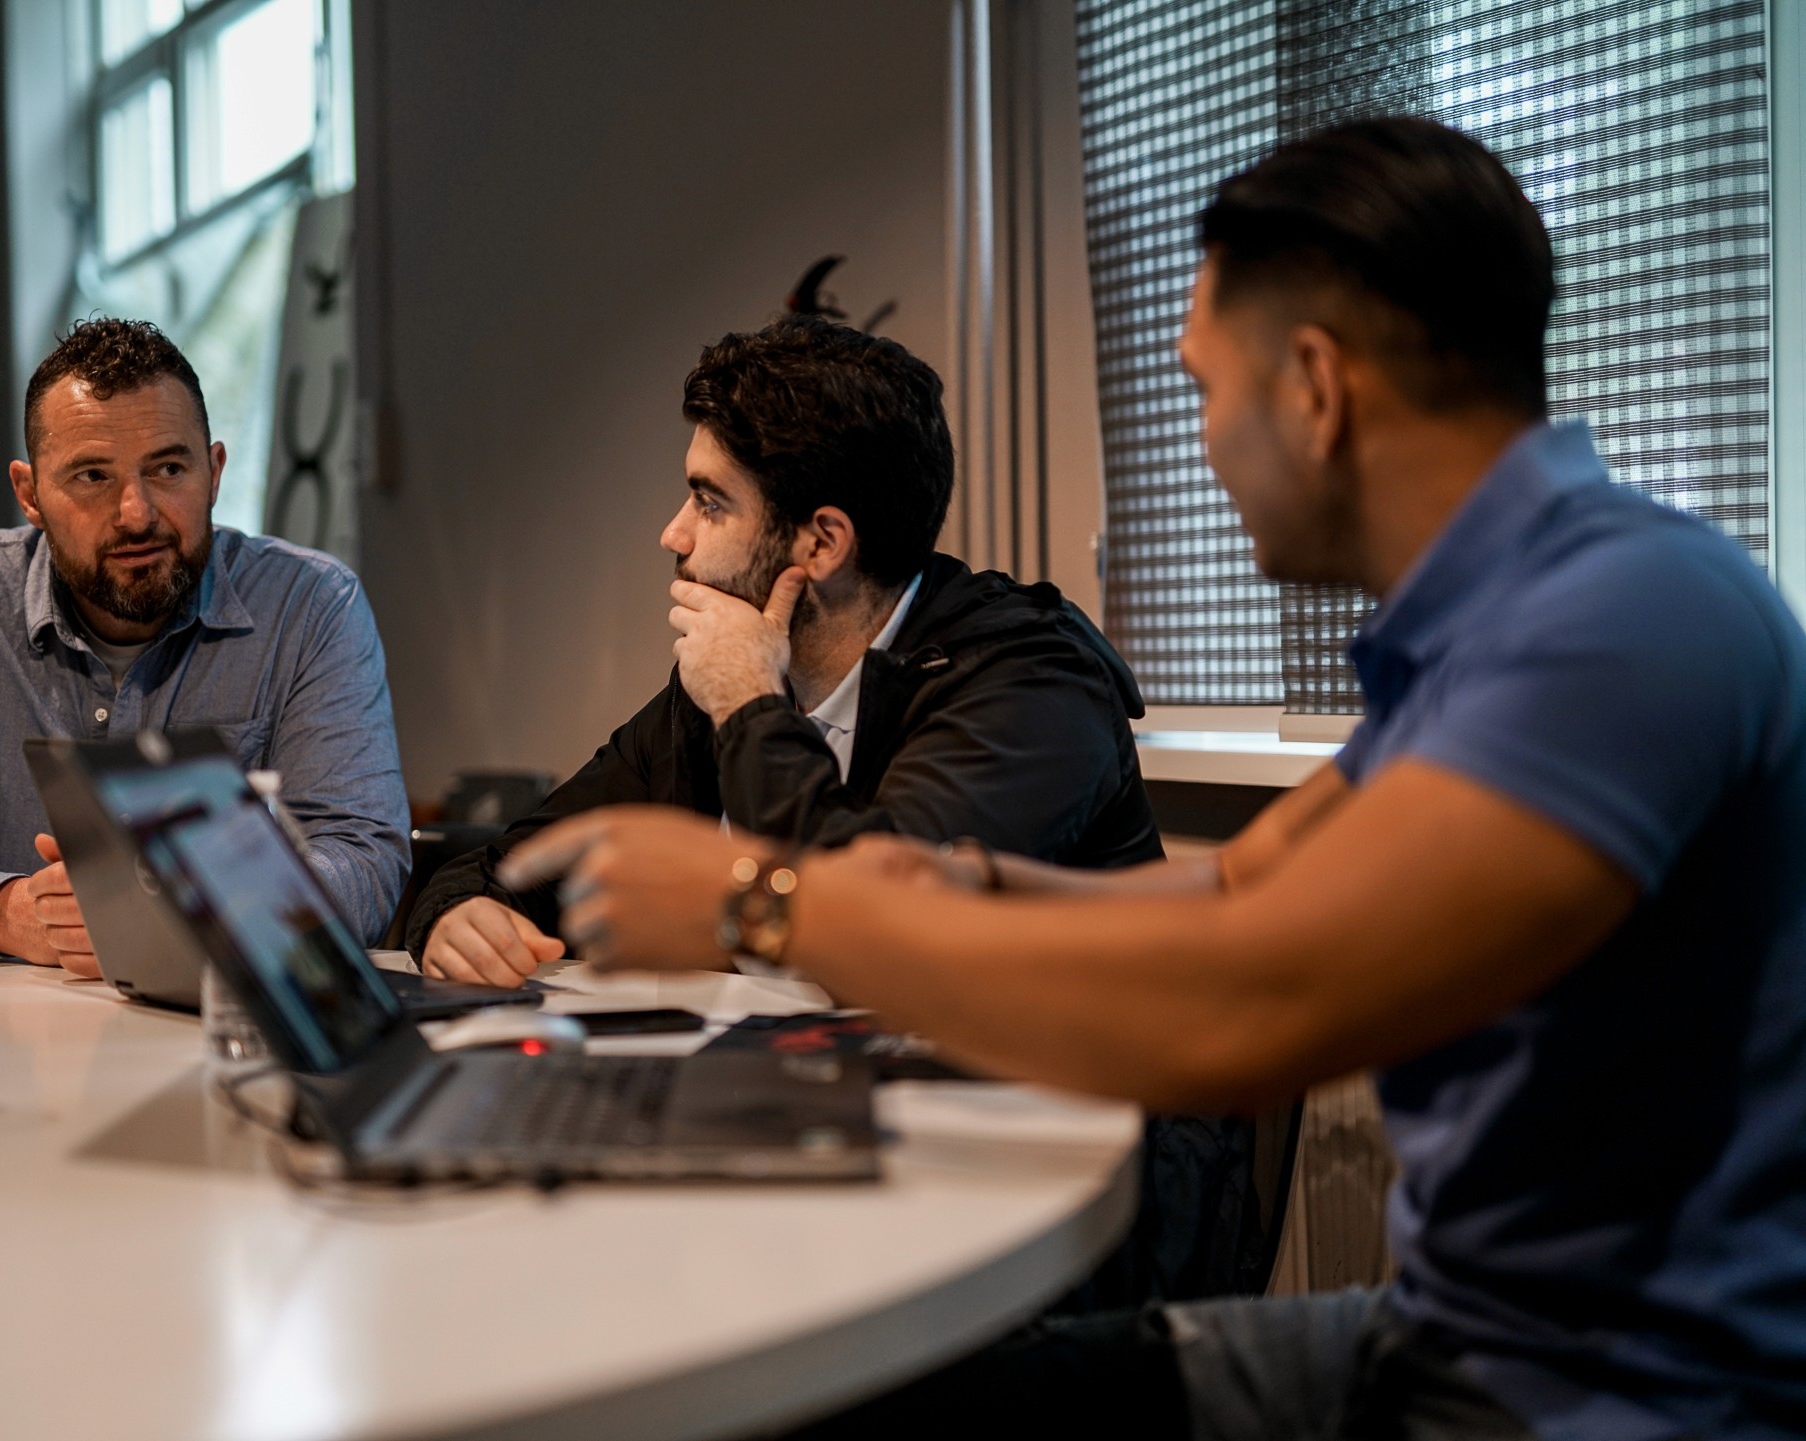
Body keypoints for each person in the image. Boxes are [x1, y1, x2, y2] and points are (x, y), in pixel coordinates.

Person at [499, 118, 1806, 1441]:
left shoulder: (1622, 622)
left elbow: (1255, 1007)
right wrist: (954, 879)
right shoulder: (1503, 622)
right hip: (1454, 1334)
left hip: (1622, 1403)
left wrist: (762, 903)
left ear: (1314, 387)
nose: (1200, 443)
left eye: (1200, 386)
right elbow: (1244, 881)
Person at [409, 315, 1161, 989]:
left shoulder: (1031, 684)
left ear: (822, 541)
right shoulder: (732, 678)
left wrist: (747, 702)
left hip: (1071, 1125)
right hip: (837, 1093)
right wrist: (456, 916)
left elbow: (883, 926)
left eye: (709, 502)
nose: (674, 535)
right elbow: (520, 862)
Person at [0, 318, 409, 974]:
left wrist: (198, 904)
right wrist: (3, 909)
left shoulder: (310, 608)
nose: (137, 512)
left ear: (213, 472)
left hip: (215, 1039)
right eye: (93, 475)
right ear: (30, 493)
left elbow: (365, 861)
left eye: (168, 467)